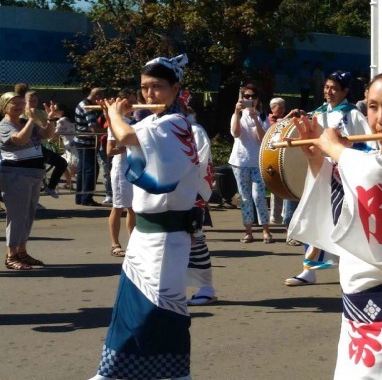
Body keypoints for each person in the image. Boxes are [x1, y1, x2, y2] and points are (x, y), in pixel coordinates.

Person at [287, 65, 382, 379]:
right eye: (372, 107)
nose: (380, 118)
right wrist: (318, 159)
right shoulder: (366, 161)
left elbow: (377, 175)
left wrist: (334, 148)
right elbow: (340, 211)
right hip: (358, 311)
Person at [90, 54, 205, 380]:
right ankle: (112, 371)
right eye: (144, 88)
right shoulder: (151, 122)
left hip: (168, 235)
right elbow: (117, 147)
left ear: (175, 88)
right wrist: (115, 118)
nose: (149, 94)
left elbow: (127, 138)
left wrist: (116, 116)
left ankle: (171, 374)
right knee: (130, 306)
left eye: (157, 87)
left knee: (158, 310)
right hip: (143, 233)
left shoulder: (178, 124)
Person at [284, 70, 372, 286]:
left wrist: (346, 152)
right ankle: (309, 269)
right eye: (326, 87)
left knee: (345, 220)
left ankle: (354, 267)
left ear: (345, 91)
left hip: (341, 175)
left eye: (334, 88)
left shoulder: (352, 115)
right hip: (318, 171)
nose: (328, 92)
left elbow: (369, 143)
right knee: (312, 214)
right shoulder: (318, 113)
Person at [0, 92, 56, 270]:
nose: (19, 106)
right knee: (17, 216)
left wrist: (51, 120)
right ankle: (11, 255)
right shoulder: (4, 125)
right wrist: (32, 120)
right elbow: (19, 139)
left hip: (34, 175)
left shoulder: (25, 122)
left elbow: (46, 135)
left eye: (21, 103)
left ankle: (22, 252)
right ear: (4, 107)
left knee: (28, 216)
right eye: (14, 103)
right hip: (16, 176)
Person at [181, 92, 219, 307]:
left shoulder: (195, 131)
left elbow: (203, 164)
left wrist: (195, 192)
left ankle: (206, 286)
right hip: (167, 195)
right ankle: (175, 288)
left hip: (189, 193)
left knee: (195, 238)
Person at [228, 83, 272, 244]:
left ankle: (266, 230)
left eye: (252, 96)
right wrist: (236, 111)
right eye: (246, 96)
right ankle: (248, 232)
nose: (249, 99)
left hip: (257, 162)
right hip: (240, 162)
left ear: (257, 99)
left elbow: (263, 138)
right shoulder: (238, 115)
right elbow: (236, 133)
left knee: (259, 196)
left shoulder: (262, 116)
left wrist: (255, 117)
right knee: (245, 198)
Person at [106, 89, 137, 258]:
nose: (132, 106)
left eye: (134, 102)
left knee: (133, 207)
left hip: (133, 167)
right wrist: (132, 146)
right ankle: (115, 243)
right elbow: (110, 150)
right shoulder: (115, 122)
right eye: (129, 102)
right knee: (118, 206)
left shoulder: (131, 121)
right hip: (121, 169)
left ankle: (133, 242)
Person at [24, 90, 66, 199]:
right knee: (34, 176)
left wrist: (50, 118)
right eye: (30, 101)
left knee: (61, 163)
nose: (33, 103)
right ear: (25, 101)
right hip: (26, 149)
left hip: (40, 147)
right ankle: (33, 200)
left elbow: (48, 131)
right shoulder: (21, 114)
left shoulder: (41, 113)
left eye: (35, 100)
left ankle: (50, 187)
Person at [74, 87, 105, 206]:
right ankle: (87, 198)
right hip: (86, 142)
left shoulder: (83, 103)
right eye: (101, 97)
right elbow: (94, 128)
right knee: (91, 169)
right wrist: (109, 130)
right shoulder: (88, 107)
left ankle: (80, 197)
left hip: (81, 141)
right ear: (97, 96)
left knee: (83, 170)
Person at [267, 97, 287, 225]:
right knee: (275, 187)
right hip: (270, 157)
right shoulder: (269, 119)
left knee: (284, 186)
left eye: (283, 108)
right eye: (279, 108)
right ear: (272, 108)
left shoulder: (286, 120)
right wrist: (288, 116)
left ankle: (282, 215)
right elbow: (274, 128)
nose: (281, 110)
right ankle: (274, 216)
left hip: (283, 157)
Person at [53, 102, 78, 190]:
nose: (54, 112)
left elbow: (55, 134)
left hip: (69, 147)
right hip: (71, 146)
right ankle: (69, 183)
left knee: (73, 169)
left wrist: (49, 139)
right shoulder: (68, 119)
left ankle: (82, 186)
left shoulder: (62, 120)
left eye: (55, 110)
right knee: (64, 165)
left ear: (61, 111)